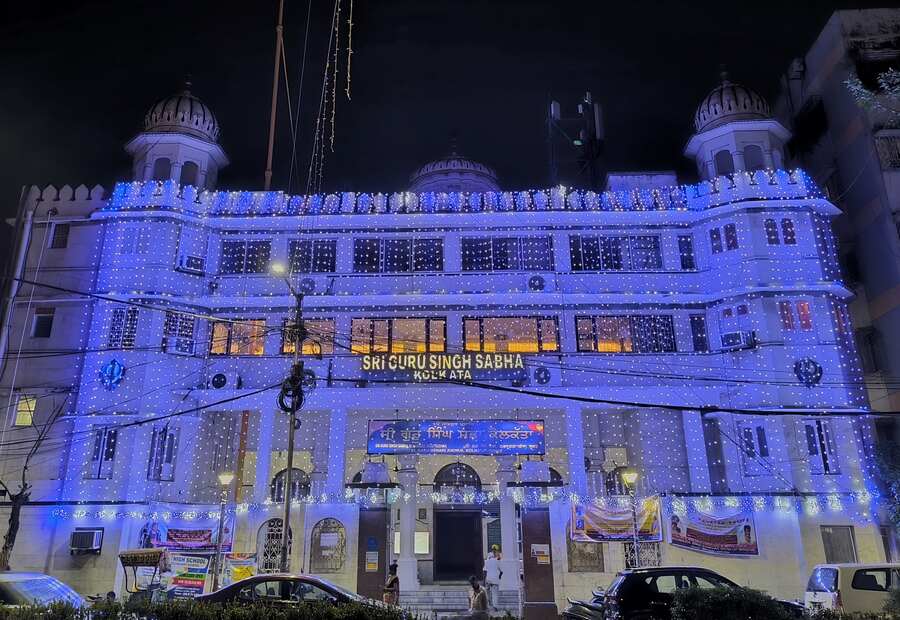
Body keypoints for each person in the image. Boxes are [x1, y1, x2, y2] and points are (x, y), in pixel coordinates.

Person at [483, 545, 502, 611]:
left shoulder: (487, 560)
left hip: (488, 579)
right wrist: (499, 576)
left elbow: (485, 571)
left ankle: (488, 603)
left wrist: (484, 581)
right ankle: (495, 607)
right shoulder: (498, 560)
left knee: (487, 591)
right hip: (495, 579)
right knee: (495, 593)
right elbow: (501, 570)